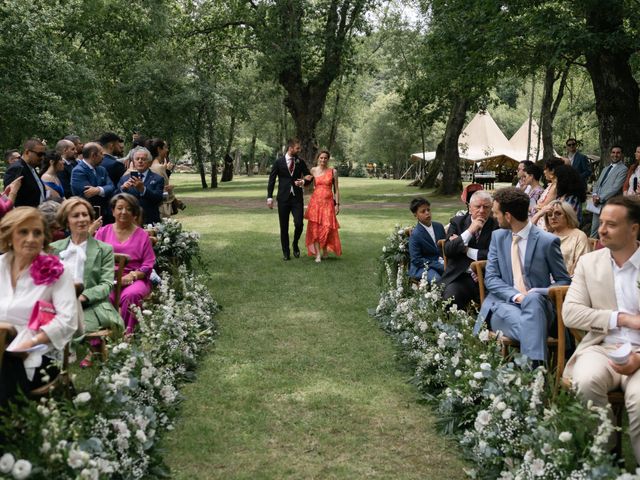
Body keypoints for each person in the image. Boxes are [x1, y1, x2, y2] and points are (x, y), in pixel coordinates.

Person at [562, 195, 640, 463]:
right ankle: (604, 458)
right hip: (601, 348)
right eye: (602, 222)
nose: (601, 229)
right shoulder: (589, 263)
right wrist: (621, 319)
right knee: (585, 381)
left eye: (611, 224)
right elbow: (570, 313)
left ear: (634, 228)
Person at [474, 187, 570, 365]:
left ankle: (530, 377)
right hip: (504, 305)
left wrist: (537, 292)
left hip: (539, 307)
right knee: (533, 324)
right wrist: (518, 297)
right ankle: (535, 373)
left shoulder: (547, 241)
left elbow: (564, 281)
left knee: (533, 301)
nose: (495, 217)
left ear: (508, 216)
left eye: (496, 213)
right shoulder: (498, 237)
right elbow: (491, 278)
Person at [0, 207, 77, 405]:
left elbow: (67, 319)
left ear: (45, 237)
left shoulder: (58, 271)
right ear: (9, 236)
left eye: (37, 232)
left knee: (8, 366)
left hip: (36, 351)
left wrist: (30, 343)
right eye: (23, 232)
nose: (31, 238)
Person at [50, 198, 123, 366]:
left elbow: (106, 285)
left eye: (85, 215)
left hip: (90, 306)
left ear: (91, 218)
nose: (82, 219)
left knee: (63, 323)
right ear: (66, 221)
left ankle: (64, 356)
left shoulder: (104, 249)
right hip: (55, 304)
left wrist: (80, 297)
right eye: (76, 215)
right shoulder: (54, 248)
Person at [94, 193, 155, 334]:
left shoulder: (142, 235)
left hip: (133, 279)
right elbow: (94, 259)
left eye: (128, 209)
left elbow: (148, 264)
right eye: (119, 208)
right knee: (102, 296)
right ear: (113, 211)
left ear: (134, 213)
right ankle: (105, 336)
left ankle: (127, 335)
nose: (123, 212)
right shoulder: (103, 232)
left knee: (131, 296)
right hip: (107, 279)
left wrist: (132, 275)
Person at [441, 191, 498, 309]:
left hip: (488, 277)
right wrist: (470, 231)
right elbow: (448, 250)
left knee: (495, 308)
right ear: (470, 208)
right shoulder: (457, 222)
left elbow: (494, 255)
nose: (482, 210)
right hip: (461, 276)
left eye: (486, 207)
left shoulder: (497, 226)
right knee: (451, 298)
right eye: (478, 206)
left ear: (491, 208)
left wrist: (466, 250)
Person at [266, 138, 311, 260]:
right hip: (283, 199)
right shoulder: (278, 162)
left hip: (297, 198)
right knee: (283, 226)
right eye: (297, 148)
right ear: (290, 148)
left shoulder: (300, 162)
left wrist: (303, 181)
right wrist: (269, 197)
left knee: (299, 223)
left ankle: (295, 243)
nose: (299, 150)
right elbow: (272, 180)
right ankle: (286, 252)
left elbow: (308, 175)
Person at [304, 149, 342, 262]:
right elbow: (307, 184)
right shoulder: (313, 170)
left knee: (327, 227)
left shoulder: (333, 172)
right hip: (315, 203)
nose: (323, 160)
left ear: (328, 159)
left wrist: (337, 204)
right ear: (318, 159)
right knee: (315, 228)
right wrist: (302, 182)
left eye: (325, 158)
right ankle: (318, 255)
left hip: (328, 203)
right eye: (321, 158)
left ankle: (325, 250)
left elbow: (336, 189)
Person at [117, 147, 164, 225]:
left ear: (149, 163)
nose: (140, 161)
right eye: (137, 159)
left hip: (150, 221)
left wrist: (143, 189)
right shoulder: (124, 178)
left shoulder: (158, 179)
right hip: (129, 220)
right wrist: (123, 189)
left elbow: (158, 199)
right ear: (133, 162)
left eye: (143, 159)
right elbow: (115, 198)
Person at [71, 142, 116, 224]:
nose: (103, 156)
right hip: (87, 216)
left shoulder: (102, 169)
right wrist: (103, 189)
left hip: (104, 214)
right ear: (93, 155)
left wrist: (98, 190)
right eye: (101, 154)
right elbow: (87, 193)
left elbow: (111, 186)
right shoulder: (78, 171)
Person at [543, 200, 590, 276]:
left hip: (567, 284)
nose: (553, 217)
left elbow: (582, 267)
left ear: (568, 216)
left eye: (558, 214)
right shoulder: (546, 236)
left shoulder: (579, 236)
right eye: (549, 214)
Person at [590, 145, 628, 238]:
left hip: (609, 204)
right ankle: (591, 251)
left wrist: (600, 198)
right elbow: (597, 183)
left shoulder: (623, 169)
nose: (615, 155)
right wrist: (594, 195)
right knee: (594, 231)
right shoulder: (605, 168)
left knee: (607, 232)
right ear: (610, 154)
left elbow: (615, 188)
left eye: (618, 153)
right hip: (597, 204)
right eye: (613, 152)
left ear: (621, 155)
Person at [408, 197, 446, 282]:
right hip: (422, 267)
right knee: (436, 279)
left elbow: (445, 247)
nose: (427, 213)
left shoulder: (439, 226)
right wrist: (438, 265)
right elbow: (416, 259)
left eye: (428, 210)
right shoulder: (415, 234)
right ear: (415, 215)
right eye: (423, 211)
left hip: (442, 262)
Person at [3, 139, 47, 207]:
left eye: (43, 154)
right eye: (39, 154)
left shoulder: (32, 168)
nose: (42, 157)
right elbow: (9, 197)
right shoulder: (17, 168)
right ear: (27, 152)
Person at [147, 138, 175, 219]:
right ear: (159, 149)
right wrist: (170, 192)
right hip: (161, 210)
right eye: (165, 147)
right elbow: (162, 191)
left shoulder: (151, 166)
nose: (167, 150)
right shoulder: (159, 168)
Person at [532, 158, 564, 229]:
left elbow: (543, 206)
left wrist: (536, 207)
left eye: (545, 169)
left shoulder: (555, 186)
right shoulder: (552, 185)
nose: (544, 172)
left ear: (552, 171)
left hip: (544, 223)